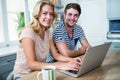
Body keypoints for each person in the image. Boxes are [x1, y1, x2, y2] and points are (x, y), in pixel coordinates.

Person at [13, 0, 81, 80]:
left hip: (40, 73)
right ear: (37, 14)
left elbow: (56, 55)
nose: (49, 17)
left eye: (51, 14)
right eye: (45, 13)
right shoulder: (28, 32)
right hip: (23, 76)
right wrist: (61, 65)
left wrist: (72, 60)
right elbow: (32, 64)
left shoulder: (47, 32)